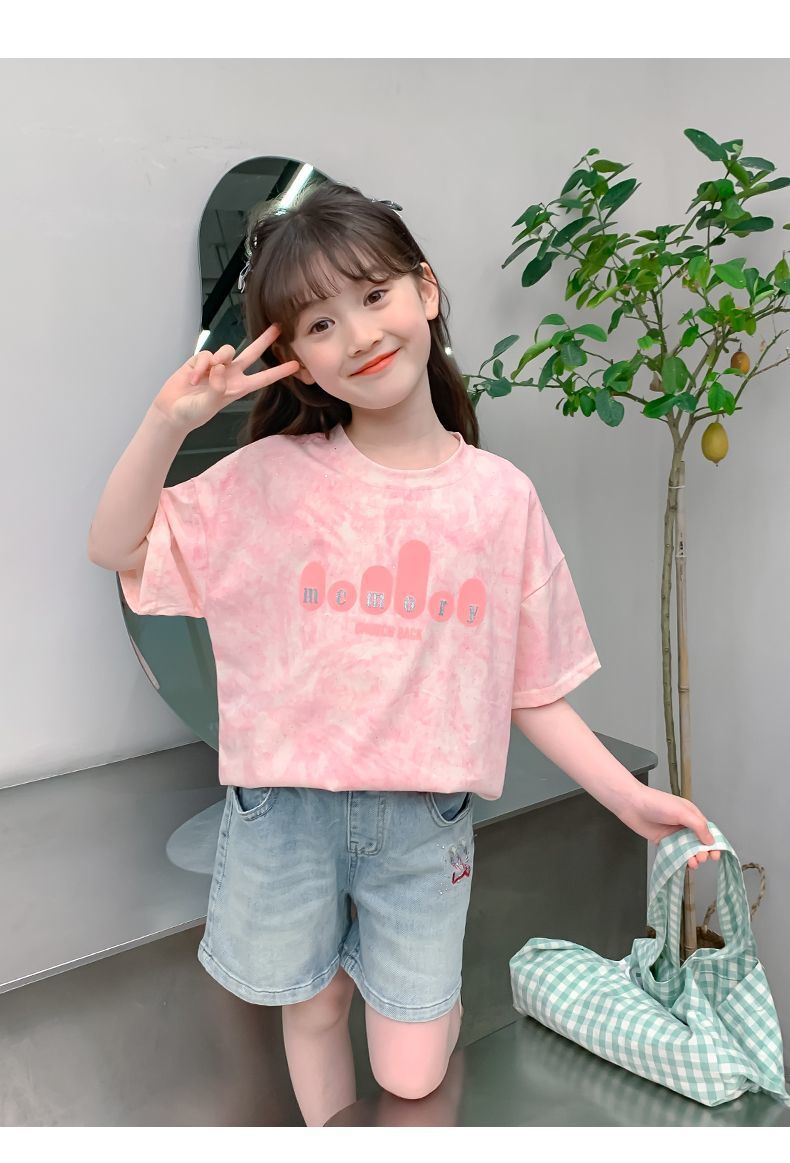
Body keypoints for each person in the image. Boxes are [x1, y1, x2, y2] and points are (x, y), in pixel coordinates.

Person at [87, 180, 719, 1127]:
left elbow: (529, 685)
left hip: (423, 826)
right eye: (320, 324)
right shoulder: (271, 479)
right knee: (314, 1006)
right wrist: (168, 422)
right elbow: (117, 546)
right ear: (299, 360)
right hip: (284, 815)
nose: (357, 335)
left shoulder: (499, 499)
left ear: (425, 290)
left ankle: (415, 1011)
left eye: (374, 295)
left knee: (414, 1072)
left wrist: (628, 799)